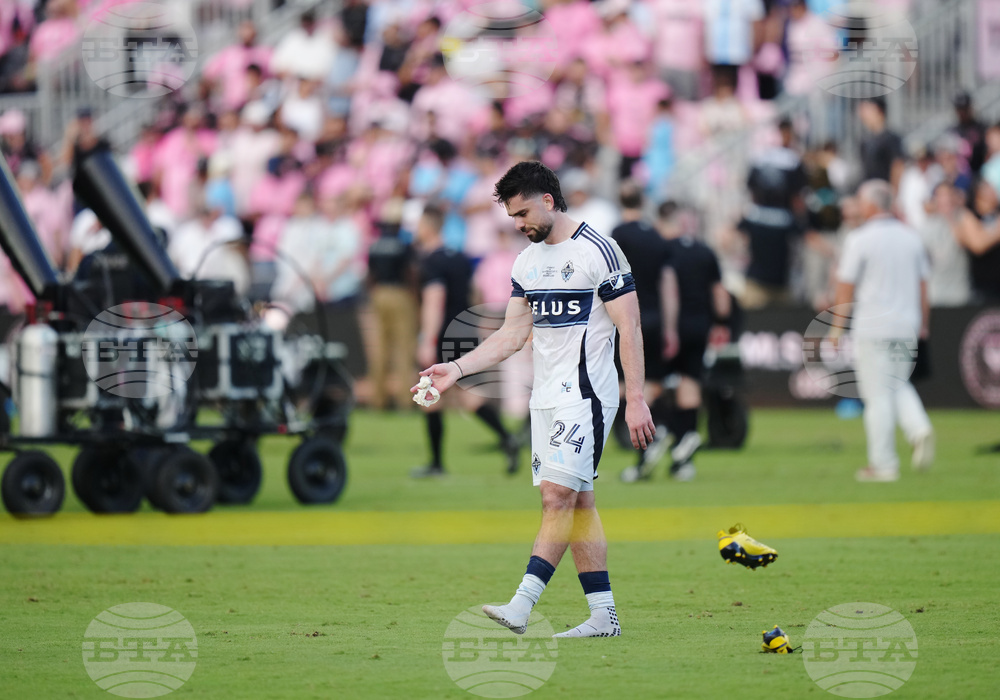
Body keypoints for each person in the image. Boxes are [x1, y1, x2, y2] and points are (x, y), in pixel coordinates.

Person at [412, 162, 655, 638]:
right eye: (512, 217)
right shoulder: (526, 262)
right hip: (544, 398)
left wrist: (637, 398)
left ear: (548, 200)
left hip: (586, 397)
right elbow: (513, 334)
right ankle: (603, 617)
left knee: (556, 498)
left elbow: (631, 327)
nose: (519, 225)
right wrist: (456, 369)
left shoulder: (599, 251)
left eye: (522, 212)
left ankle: (522, 605)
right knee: (580, 502)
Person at [832, 180, 934, 483]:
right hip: (907, 324)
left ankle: (883, 463)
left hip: (873, 326)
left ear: (871, 205)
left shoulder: (859, 238)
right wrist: (924, 322)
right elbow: (923, 286)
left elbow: (844, 285)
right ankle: (918, 428)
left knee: (876, 395)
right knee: (897, 383)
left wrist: (836, 328)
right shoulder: (911, 237)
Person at [412, 203, 519, 477]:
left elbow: (434, 301)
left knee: (429, 391)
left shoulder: (431, 261)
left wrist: (427, 338)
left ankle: (436, 463)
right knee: (467, 396)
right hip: (463, 329)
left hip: (443, 332)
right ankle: (507, 438)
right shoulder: (459, 258)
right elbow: (473, 293)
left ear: (427, 226)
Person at [641, 201, 730, 482]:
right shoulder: (705, 252)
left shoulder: (658, 251)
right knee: (690, 385)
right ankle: (685, 460)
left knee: (652, 385)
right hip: (698, 327)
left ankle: (657, 437)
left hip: (667, 328)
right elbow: (720, 295)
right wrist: (721, 324)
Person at [609, 181, 672, 480]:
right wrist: (671, 325)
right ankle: (660, 430)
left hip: (627, 319)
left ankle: (647, 444)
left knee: (624, 386)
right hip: (657, 318)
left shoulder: (617, 236)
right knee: (652, 385)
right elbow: (667, 283)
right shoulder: (656, 237)